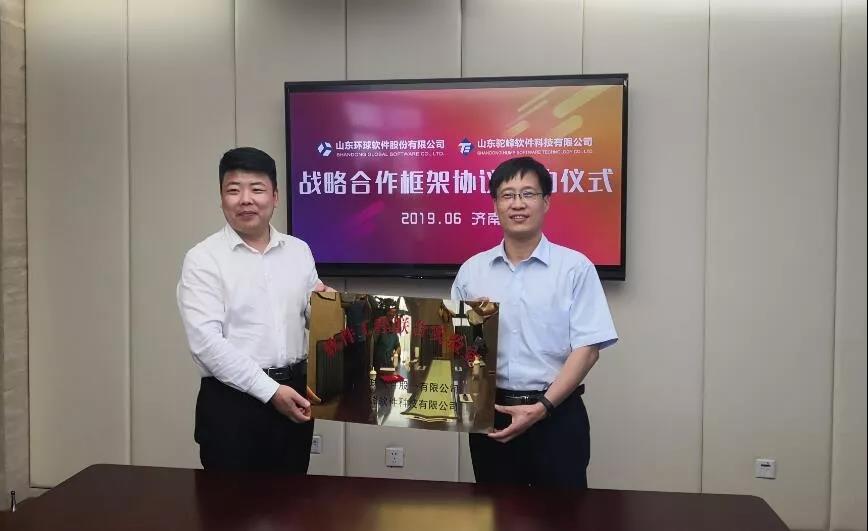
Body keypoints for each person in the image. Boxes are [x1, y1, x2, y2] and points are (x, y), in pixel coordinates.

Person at [451, 156, 618, 489]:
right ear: (495, 204)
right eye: (507, 195)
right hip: (492, 415)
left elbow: (588, 349)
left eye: (528, 194)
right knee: (495, 510)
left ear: (546, 202)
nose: (518, 204)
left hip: (556, 415)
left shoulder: (575, 268)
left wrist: (542, 407)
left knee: (562, 512)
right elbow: (456, 345)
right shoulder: (472, 271)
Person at [177, 146, 327, 473]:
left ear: (275, 196)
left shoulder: (298, 251)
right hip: (232, 405)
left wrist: (328, 307)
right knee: (231, 502)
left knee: (293, 499)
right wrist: (271, 391)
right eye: (234, 190)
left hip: (295, 397)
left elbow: (311, 317)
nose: (246, 199)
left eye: (257, 189)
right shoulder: (203, 259)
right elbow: (206, 345)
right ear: (221, 198)